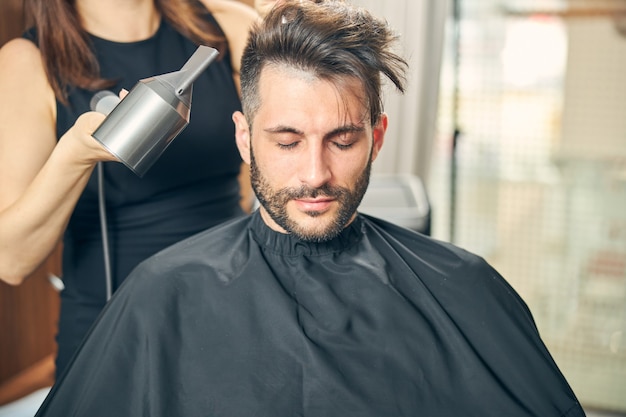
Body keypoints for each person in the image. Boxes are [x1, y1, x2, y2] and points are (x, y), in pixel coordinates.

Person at [33, 1, 586, 416]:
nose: (316, 174)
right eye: (287, 140)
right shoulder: (160, 297)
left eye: (343, 141)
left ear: (378, 137)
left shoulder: (463, 286)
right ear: (245, 139)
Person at [0, 0, 258, 387]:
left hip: (234, 307)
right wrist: (76, 154)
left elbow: (252, 176)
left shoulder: (229, 25)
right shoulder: (28, 61)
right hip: (115, 327)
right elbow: (12, 260)